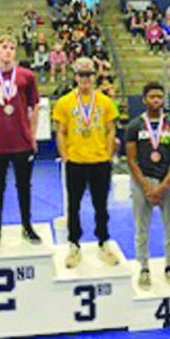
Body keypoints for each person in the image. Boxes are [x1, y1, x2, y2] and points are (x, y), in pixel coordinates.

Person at [53, 57, 119, 269]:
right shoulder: (65, 102)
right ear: (75, 77)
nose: (85, 80)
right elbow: (61, 132)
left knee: (101, 205)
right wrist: (65, 156)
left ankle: (103, 242)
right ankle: (74, 244)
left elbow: (111, 129)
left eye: (89, 75)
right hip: (76, 161)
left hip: (100, 161)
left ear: (94, 77)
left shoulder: (105, 102)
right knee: (73, 205)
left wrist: (108, 154)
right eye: (81, 76)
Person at [0, 34, 42, 248]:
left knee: (24, 186)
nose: (7, 51)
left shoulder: (26, 76)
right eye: (4, 47)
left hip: (22, 142)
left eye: (11, 47)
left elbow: (35, 106)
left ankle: (27, 226)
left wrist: (32, 134)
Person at [125, 82, 170, 290]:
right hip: (143, 181)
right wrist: (146, 186)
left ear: (163, 99)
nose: (156, 100)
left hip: (169, 182)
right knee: (141, 228)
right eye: (152, 97)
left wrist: (164, 184)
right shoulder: (134, 126)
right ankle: (143, 268)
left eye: (159, 97)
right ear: (144, 100)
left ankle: (169, 267)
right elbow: (131, 160)